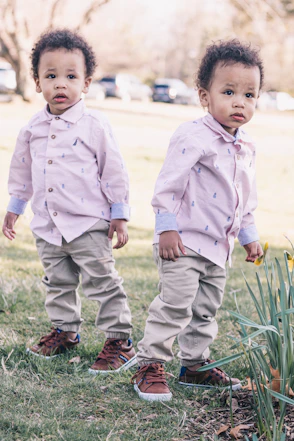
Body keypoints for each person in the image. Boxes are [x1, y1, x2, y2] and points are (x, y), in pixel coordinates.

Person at [132, 39, 264, 401]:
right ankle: (150, 362)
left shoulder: (247, 146)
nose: (240, 102)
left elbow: (245, 197)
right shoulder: (193, 136)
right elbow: (168, 186)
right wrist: (167, 228)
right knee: (175, 304)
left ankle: (194, 365)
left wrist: (249, 235)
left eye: (250, 95)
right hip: (184, 242)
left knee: (205, 310)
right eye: (229, 91)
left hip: (219, 248)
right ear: (205, 96)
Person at [2, 29, 136, 374]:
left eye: (70, 76)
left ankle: (120, 340)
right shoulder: (32, 127)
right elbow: (22, 171)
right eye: (51, 76)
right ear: (36, 82)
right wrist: (15, 208)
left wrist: (119, 214)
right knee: (57, 281)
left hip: (88, 222)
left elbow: (114, 170)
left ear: (86, 83)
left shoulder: (94, 125)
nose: (60, 84)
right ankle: (65, 331)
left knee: (102, 280)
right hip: (48, 224)